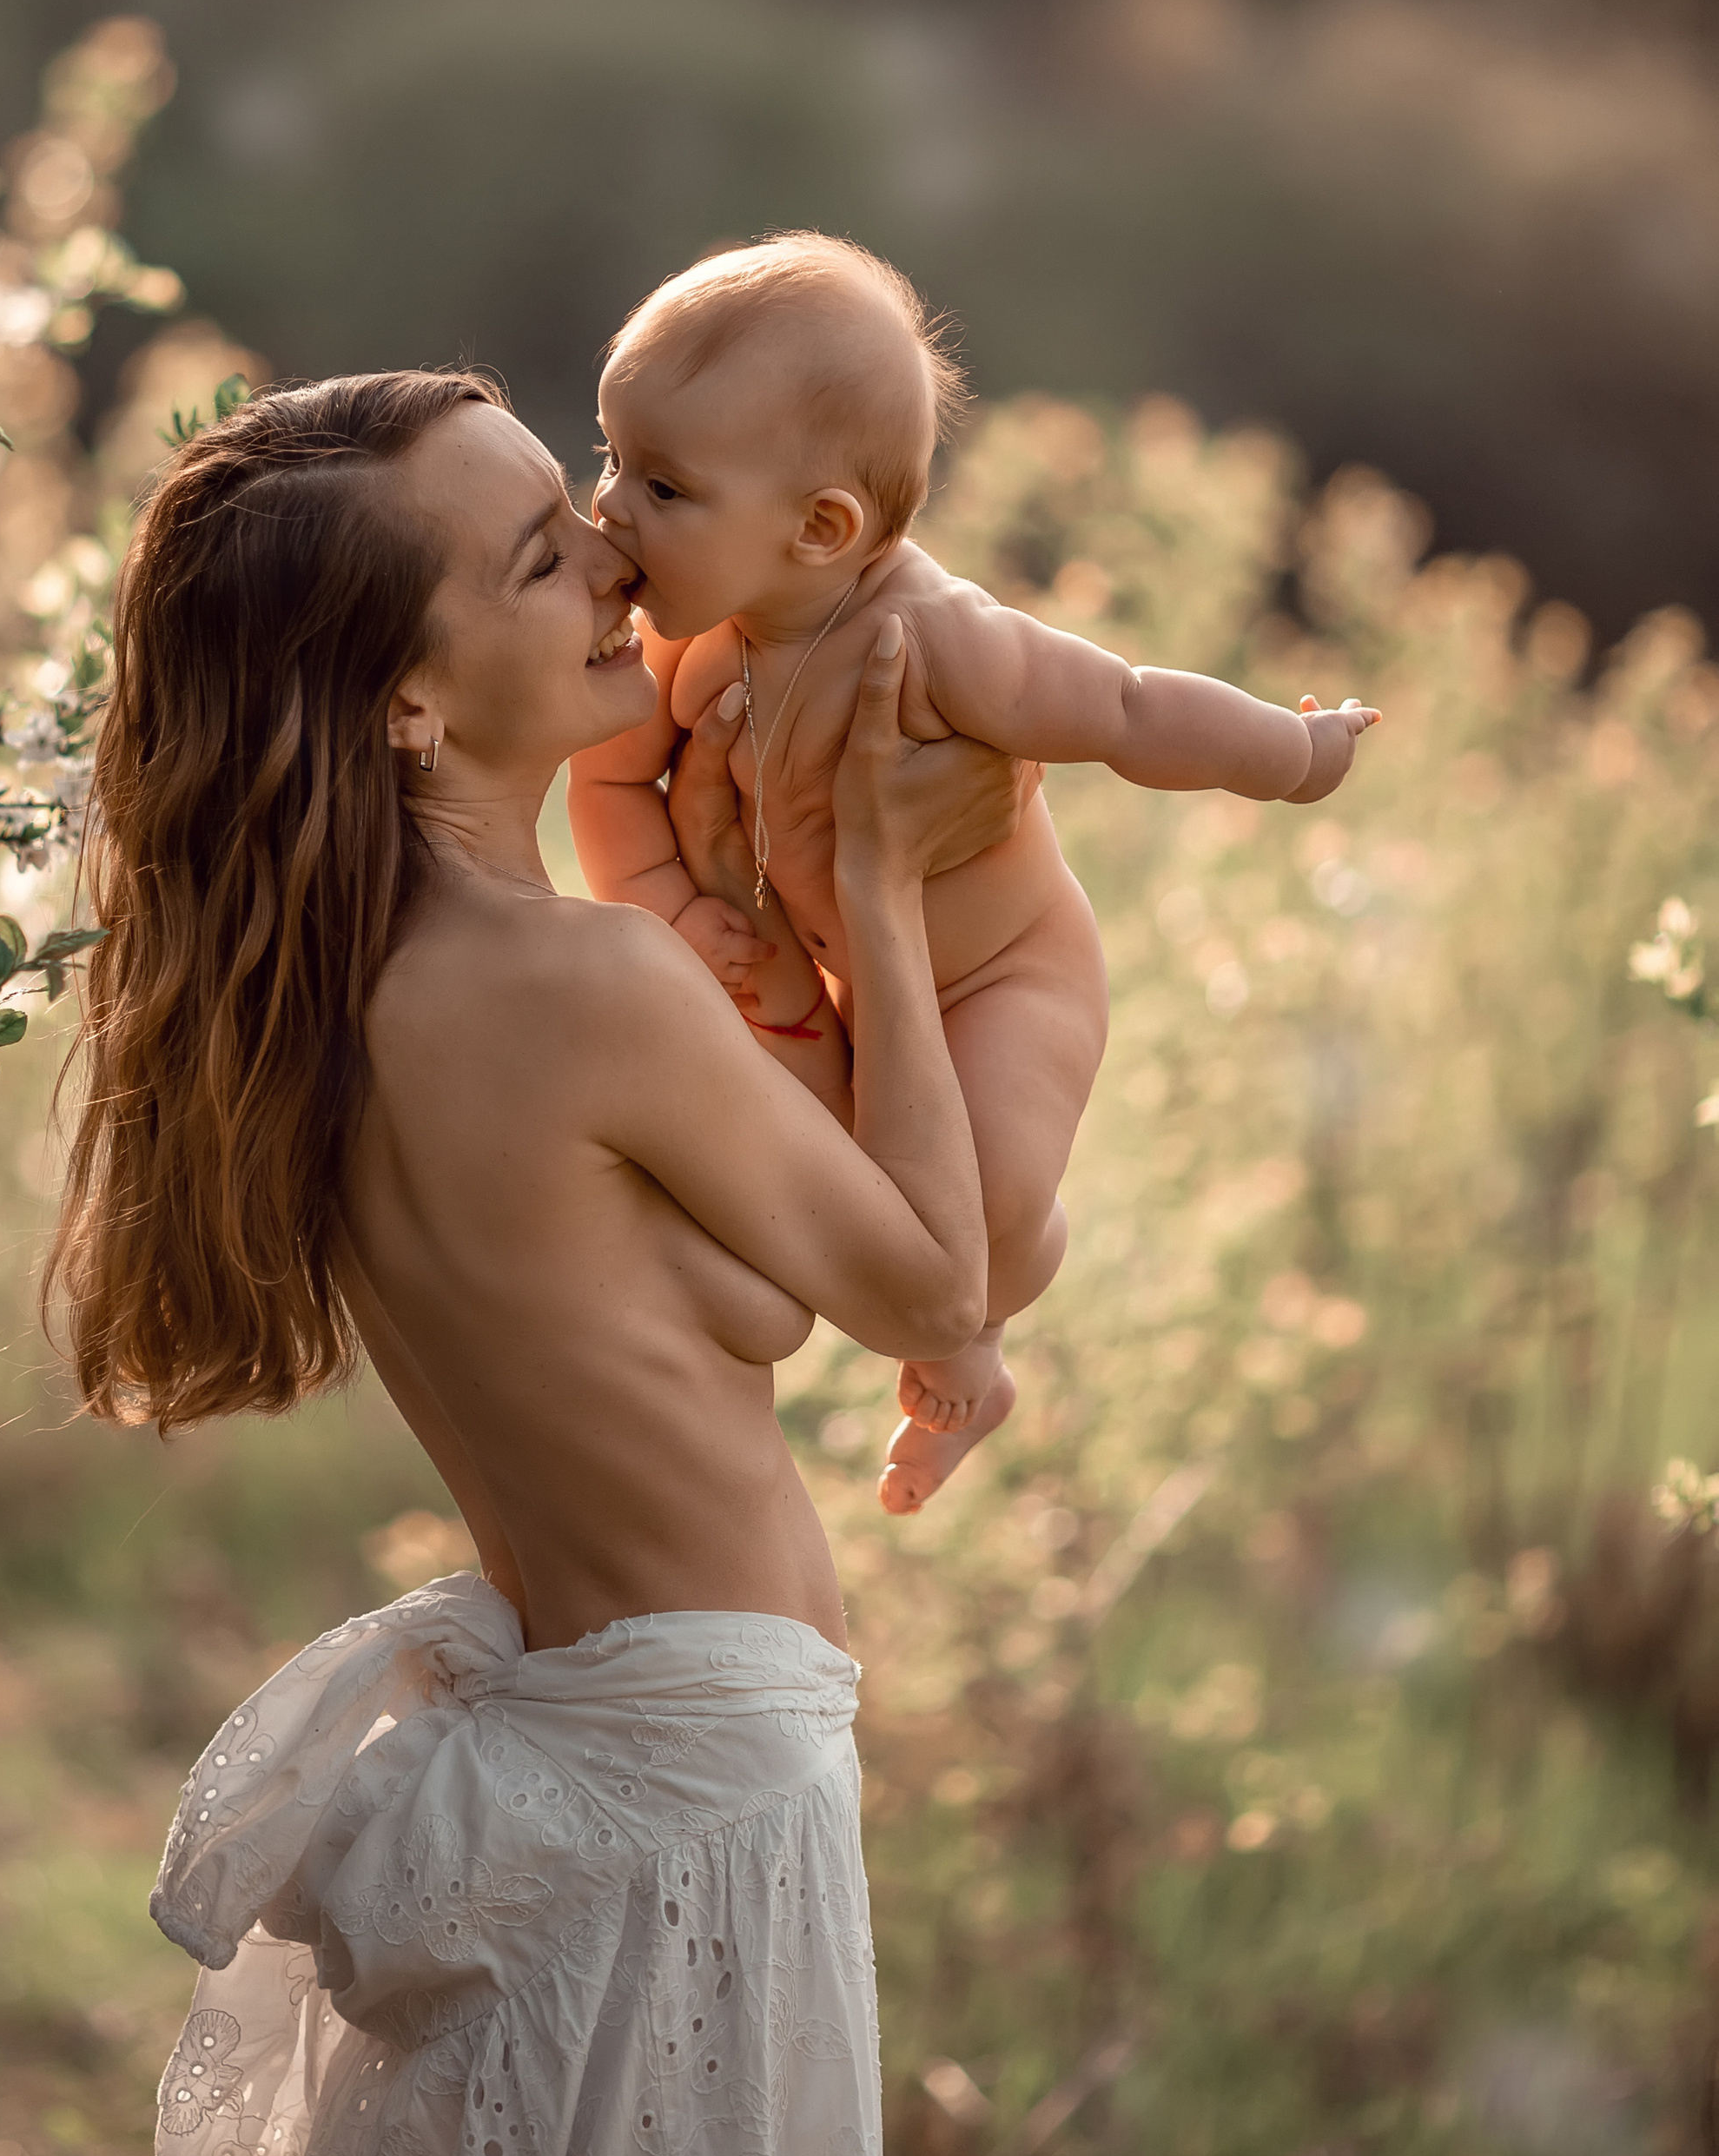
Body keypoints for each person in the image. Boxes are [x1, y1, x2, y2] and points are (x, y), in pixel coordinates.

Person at [42, 367, 1020, 2156]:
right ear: (404, 702)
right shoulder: (578, 984)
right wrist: (895, 891)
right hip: (690, 1797)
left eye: (573, 501)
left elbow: (715, 1316)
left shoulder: (356, 989)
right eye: (530, 555)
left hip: (604, 1756)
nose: (608, 553)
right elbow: (930, 1284)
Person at [570, 233, 1379, 1514]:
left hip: (1010, 975)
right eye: (612, 457)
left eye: (662, 487)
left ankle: (983, 1329)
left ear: (821, 528)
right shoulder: (690, 648)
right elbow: (609, 788)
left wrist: (1293, 753)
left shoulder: (937, 641)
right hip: (850, 977)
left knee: (988, 1196)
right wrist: (672, 908)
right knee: (834, 1176)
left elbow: (1122, 706)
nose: (609, 506)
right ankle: (955, 1346)